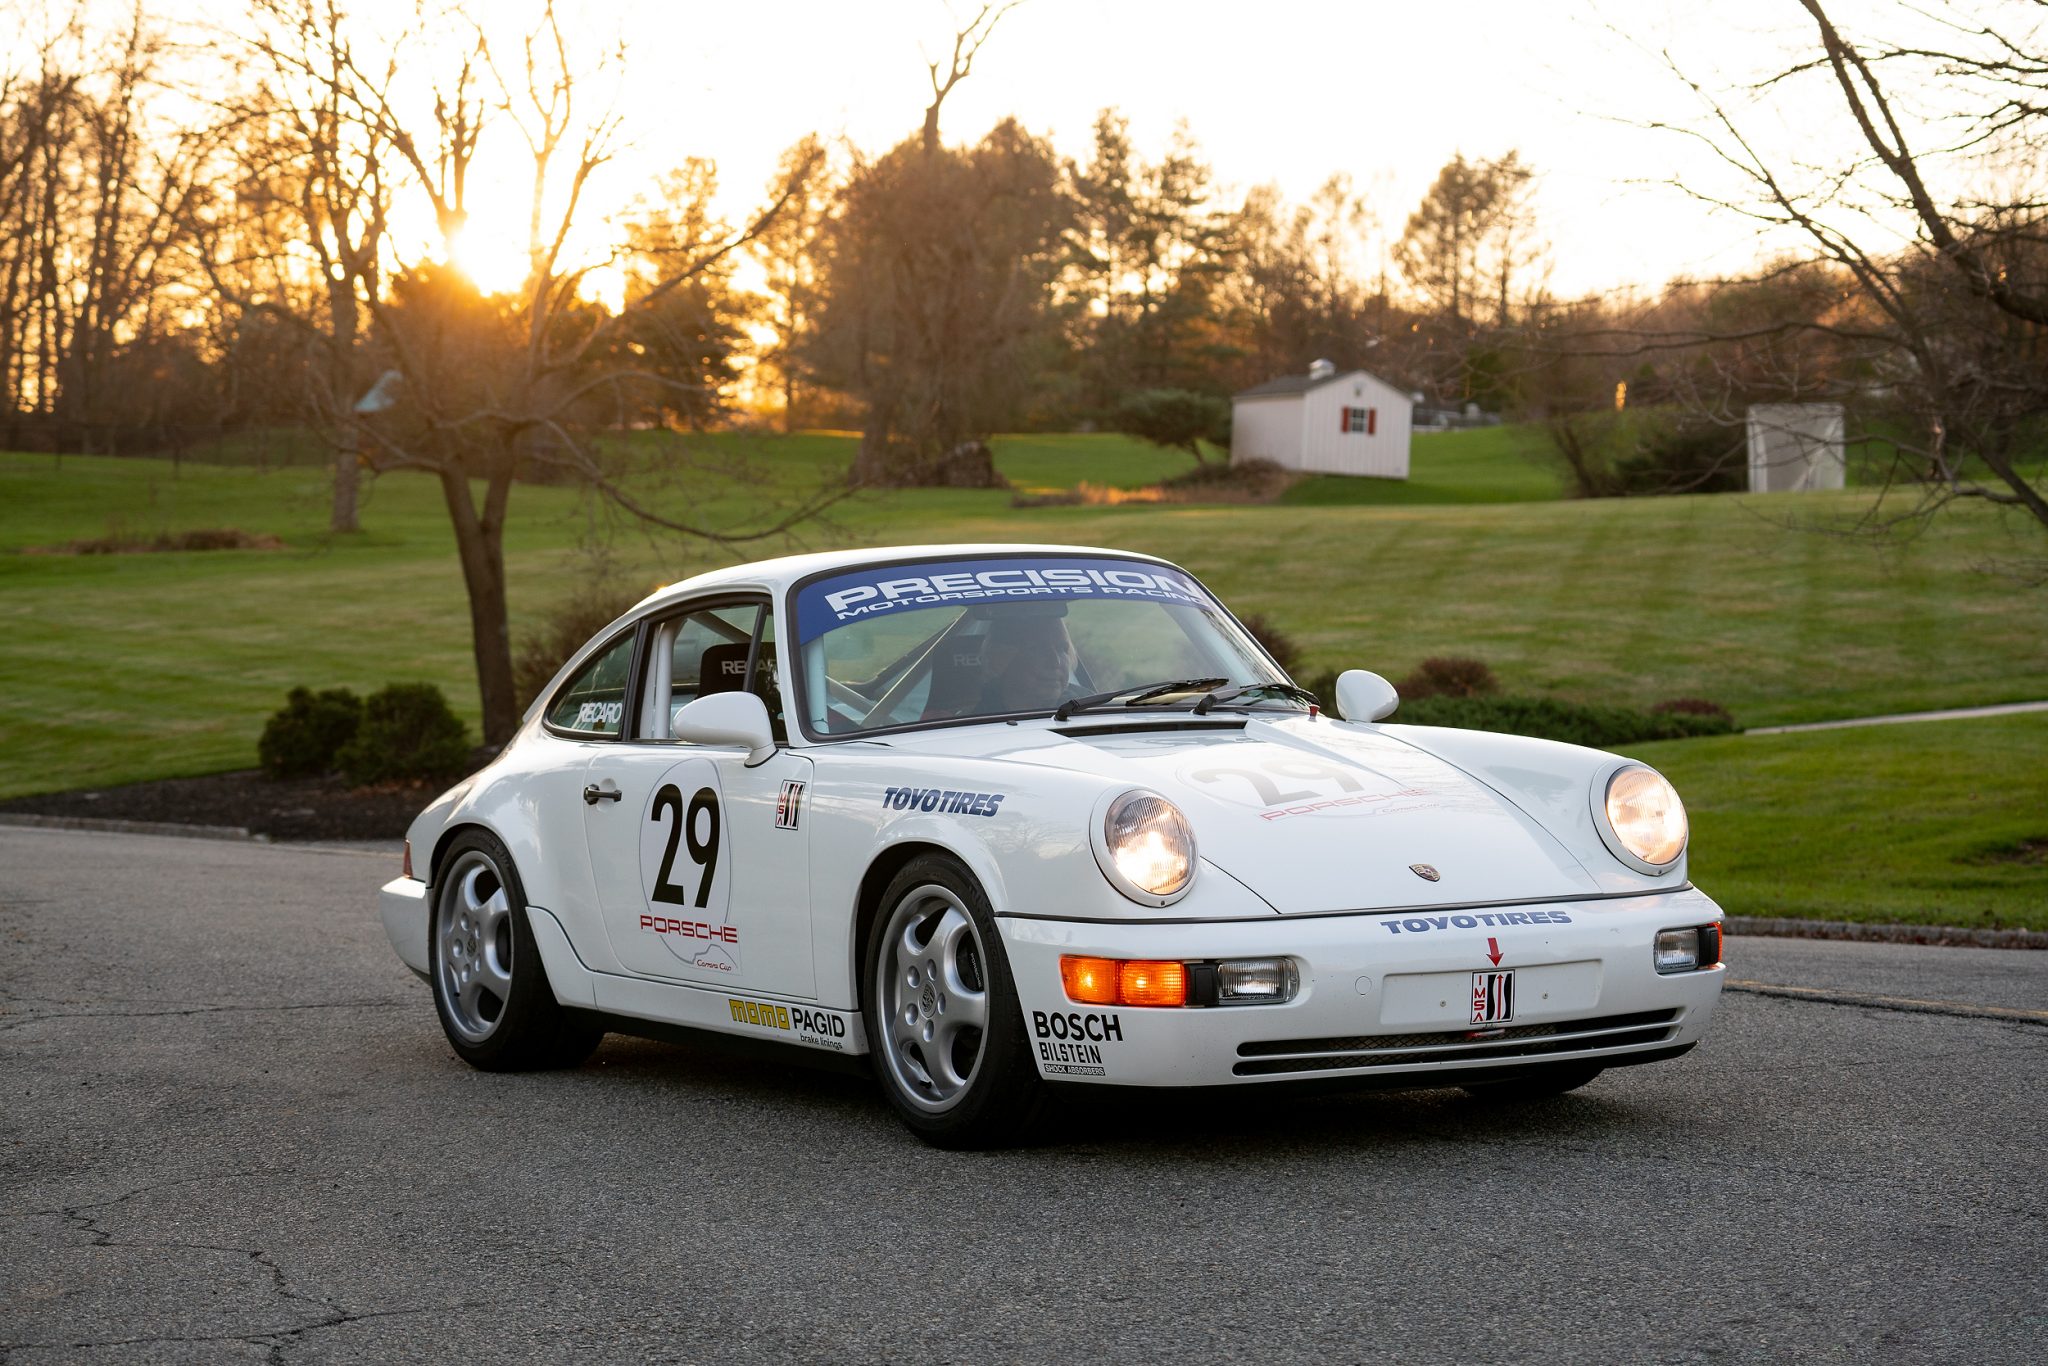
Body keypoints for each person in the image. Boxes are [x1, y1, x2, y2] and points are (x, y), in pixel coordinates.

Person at [976, 612, 1077, 714]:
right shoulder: (977, 721)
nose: (1055, 662)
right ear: (1000, 659)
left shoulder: (1083, 708)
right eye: (1039, 650)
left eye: (1062, 649)